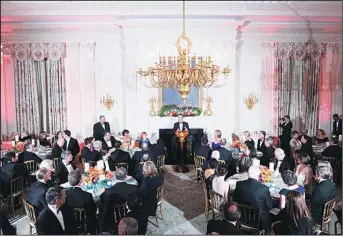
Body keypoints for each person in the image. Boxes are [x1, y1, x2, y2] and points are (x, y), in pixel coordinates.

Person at [233, 166, 273, 231]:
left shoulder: (239, 184)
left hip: (241, 216)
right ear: (259, 175)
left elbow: (234, 199)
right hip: (259, 221)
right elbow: (269, 206)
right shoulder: (264, 188)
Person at [99, 167, 138, 232]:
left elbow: (103, 201)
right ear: (126, 177)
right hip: (127, 209)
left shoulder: (109, 192)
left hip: (112, 211)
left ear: (115, 177)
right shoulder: (133, 188)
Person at [65, 170, 97, 234]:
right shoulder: (87, 195)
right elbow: (94, 210)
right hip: (86, 225)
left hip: (68, 223)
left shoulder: (64, 194)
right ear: (80, 181)